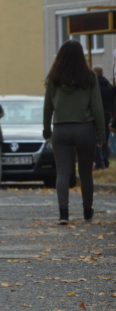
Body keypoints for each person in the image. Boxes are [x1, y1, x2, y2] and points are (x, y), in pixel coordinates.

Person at [43, 40, 105, 225]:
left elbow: (47, 107)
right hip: (85, 129)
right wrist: (101, 135)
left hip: (61, 129)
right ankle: (87, 211)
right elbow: (97, 107)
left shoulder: (54, 78)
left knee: (62, 172)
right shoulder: (89, 77)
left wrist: (47, 130)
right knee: (86, 173)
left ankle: (63, 214)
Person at [93, 66, 113, 169]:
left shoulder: (94, 86)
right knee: (105, 137)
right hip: (108, 114)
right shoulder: (109, 86)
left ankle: (98, 162)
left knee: (96, 138)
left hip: (97, 114)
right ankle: (105, 160)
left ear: (94, 73)